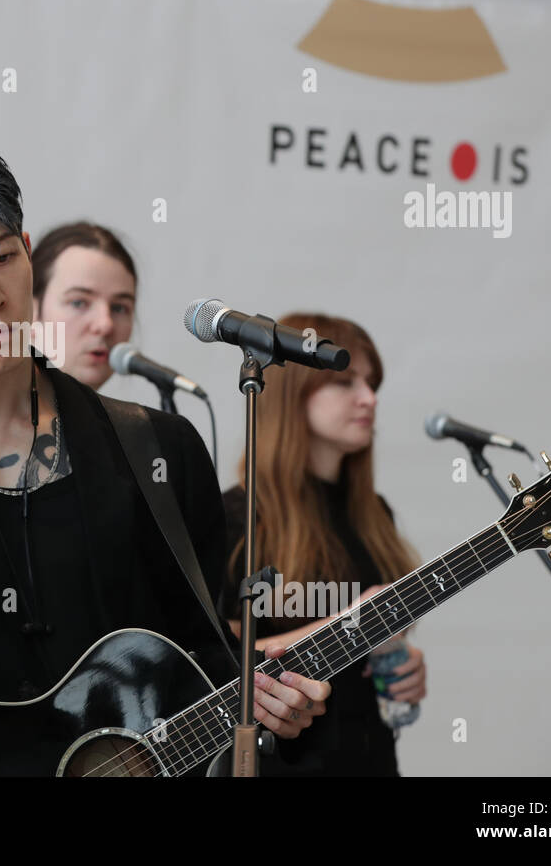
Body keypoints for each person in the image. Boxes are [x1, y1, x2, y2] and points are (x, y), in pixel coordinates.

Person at [0, 134, 330, 769]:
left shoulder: (158, 446)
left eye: (3, 258)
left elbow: (202, 659)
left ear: (29, 256)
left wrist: (276, 703)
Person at [218, 312, 426, 776]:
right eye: (347, 382)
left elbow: (372, 651)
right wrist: (350, 626)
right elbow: (216, 651)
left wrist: (402, 664)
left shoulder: (374, 513)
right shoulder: (235, 516)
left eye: (373, 384)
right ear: (295, 390)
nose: (369, 399)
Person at [29, 222, 137, 391]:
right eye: (78, 303)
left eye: (119, 308)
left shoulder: (130, 417)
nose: (105, 324)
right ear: (29, 312)